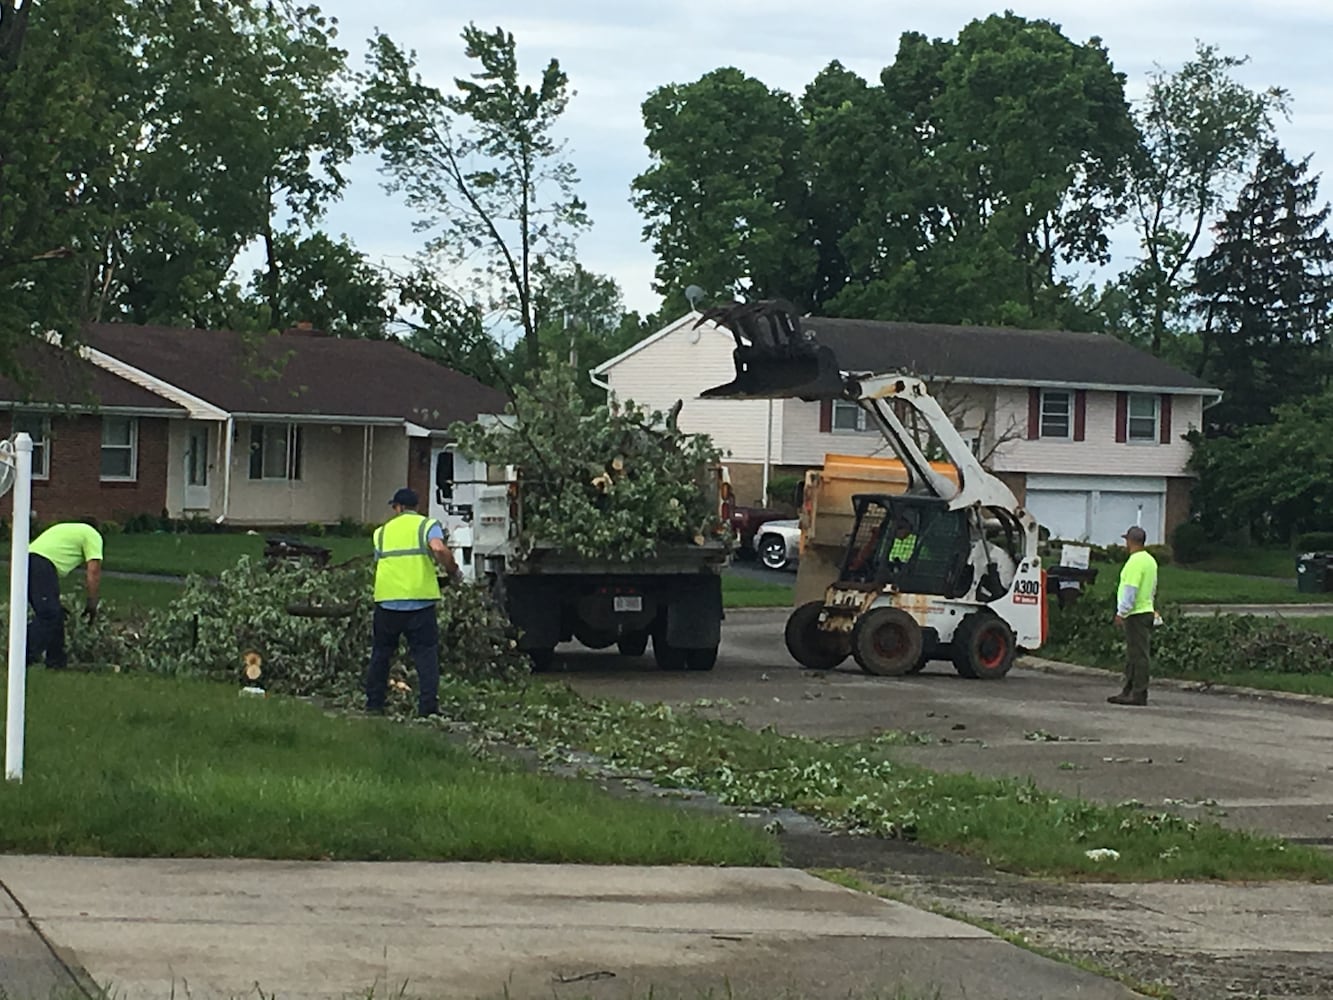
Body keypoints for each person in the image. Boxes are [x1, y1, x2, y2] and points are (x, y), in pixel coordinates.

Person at [364, 488, 461, 718]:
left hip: (387, 601)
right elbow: (437, 548)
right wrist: (453, 570)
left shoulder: (381, 532)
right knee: (425, 655)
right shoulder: (427, 526)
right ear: (417, 507)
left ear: (397, 507)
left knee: (381, 654)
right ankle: (427, 708)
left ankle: (374, 704)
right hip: (419, 602)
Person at [27, 519, 103, 670]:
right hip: (42, 564)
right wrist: (92, 603)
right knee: (49, 614)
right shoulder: (93, 535)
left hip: (26, 559)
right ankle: (23, 655)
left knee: (56, 614)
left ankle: (56, 662)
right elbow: (93, 572)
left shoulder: (68, 529)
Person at [1109, 525, 1158, 706]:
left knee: (1138, 655)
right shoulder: (1150, 561)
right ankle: (1128, 690)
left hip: (1135, 612)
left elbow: (1130, 589)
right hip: (1146, 609)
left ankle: (1138, 693)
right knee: (1135, 654)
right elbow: (1152, 588)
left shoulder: (1134, 562)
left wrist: (1122, 612)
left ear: (1130, 541)